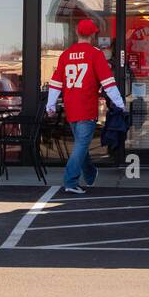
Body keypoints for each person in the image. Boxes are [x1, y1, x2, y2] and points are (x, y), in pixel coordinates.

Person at [46, 17, 126, 194]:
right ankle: (71, 181)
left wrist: (50, 105)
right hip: (87, 107)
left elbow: (55, 84)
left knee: (81, 145)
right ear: (93, 35)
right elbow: (108, 83)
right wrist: (120, 104)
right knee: (81, 145)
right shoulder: (95, 54)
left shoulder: (65, 54)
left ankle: (90, 174)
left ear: (76, 33)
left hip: (71, 108)